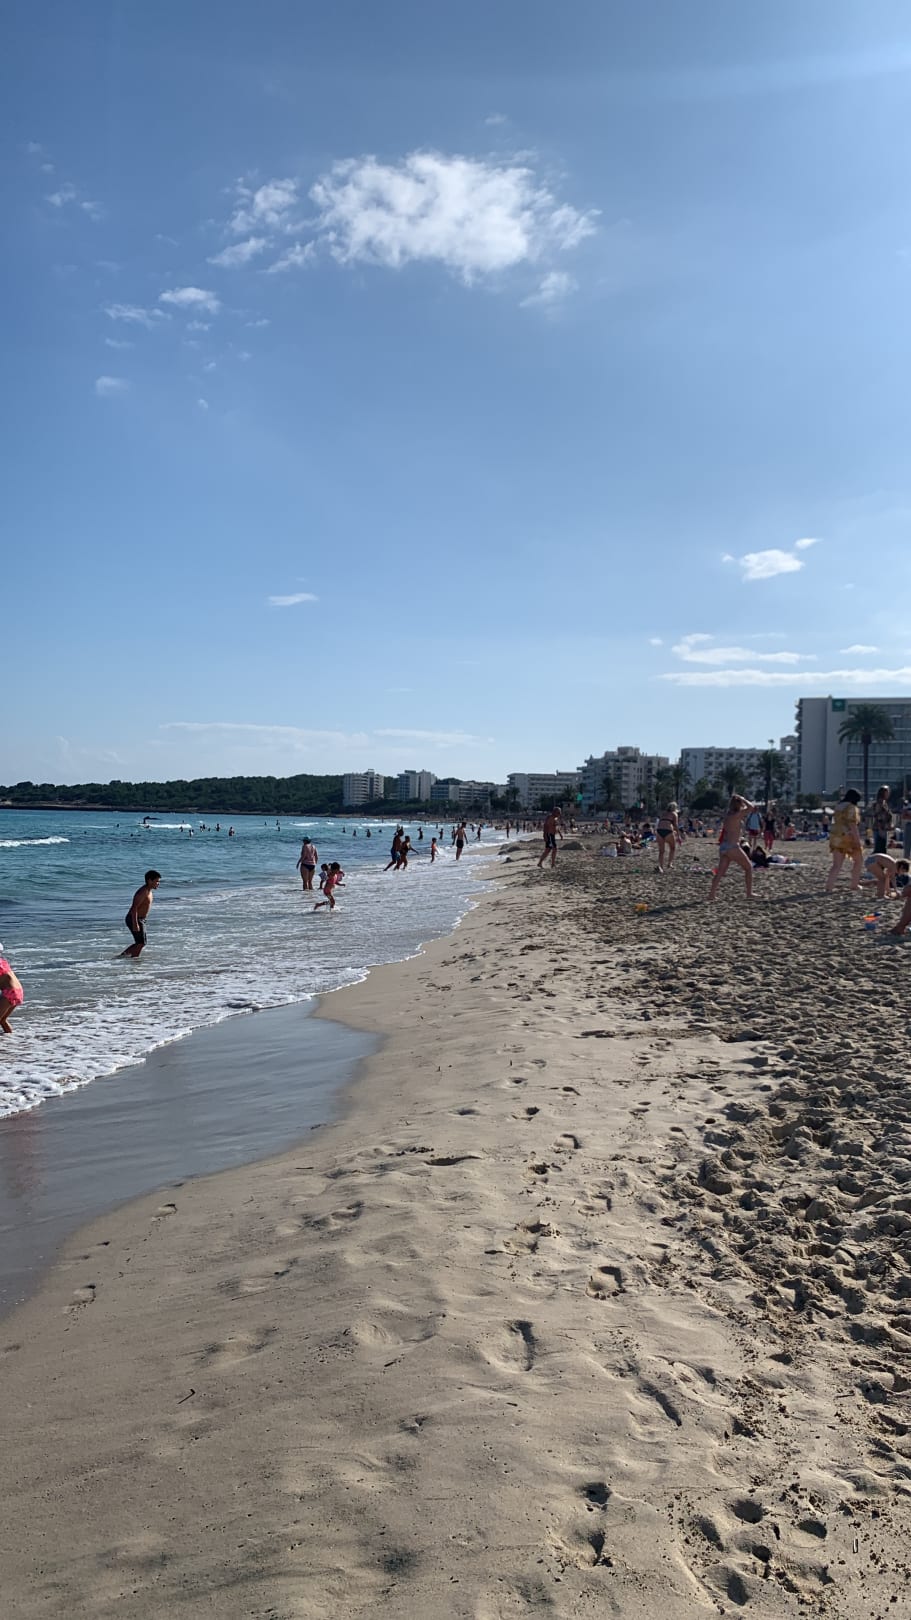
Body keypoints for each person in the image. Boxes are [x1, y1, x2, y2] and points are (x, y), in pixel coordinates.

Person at [708, 797, 754, 901]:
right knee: (748, 867)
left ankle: (711, 894)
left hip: (724, 846)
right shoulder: (737, 815)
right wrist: (743, 798)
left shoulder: (728, 815)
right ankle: (749, 893)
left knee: (720, 872)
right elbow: (751, 807)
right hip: (732, 846)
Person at [825, 789, 864, 892]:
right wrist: (857, 840)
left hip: (835, 836)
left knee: (836, 864)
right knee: (858, 860)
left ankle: (829, 886)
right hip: (847, 837)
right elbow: (852, 825)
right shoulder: (851, 808)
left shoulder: (838, 806)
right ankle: (854, 884)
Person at [121, 870, 161, 958]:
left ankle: (123, 957)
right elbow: (134, 908)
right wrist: (135, 923)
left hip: (141, 919)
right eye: (157, 881)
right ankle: (134, 959)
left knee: (140, 943)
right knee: (141, 943)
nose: (158, 883)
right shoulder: (143, 892)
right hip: (134, 919)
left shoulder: (149, 891)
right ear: (150, 880)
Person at [0, 947, 24, 1033]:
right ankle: (10, 1038)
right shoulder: (3, 962)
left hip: (9, 992)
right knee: (2, 1020)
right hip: (18, 991)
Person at [655, 801, 679, 873]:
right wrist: (678, 834)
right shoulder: (674, 814)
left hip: (659, 831)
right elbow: (675, 825)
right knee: (673, 847)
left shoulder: (663, 813)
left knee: (661, 851)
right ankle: (669, 863)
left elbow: (660, 823)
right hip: (668, 830)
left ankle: (661, 866)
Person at [872, 786, 893, 855]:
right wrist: (880, 828)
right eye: (887, 792)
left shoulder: (884, 803)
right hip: (880, 828)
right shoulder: (880, 803)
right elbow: (878, 816)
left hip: (883, 828)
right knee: (879, 848)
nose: (888, 794)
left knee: (882, 847)